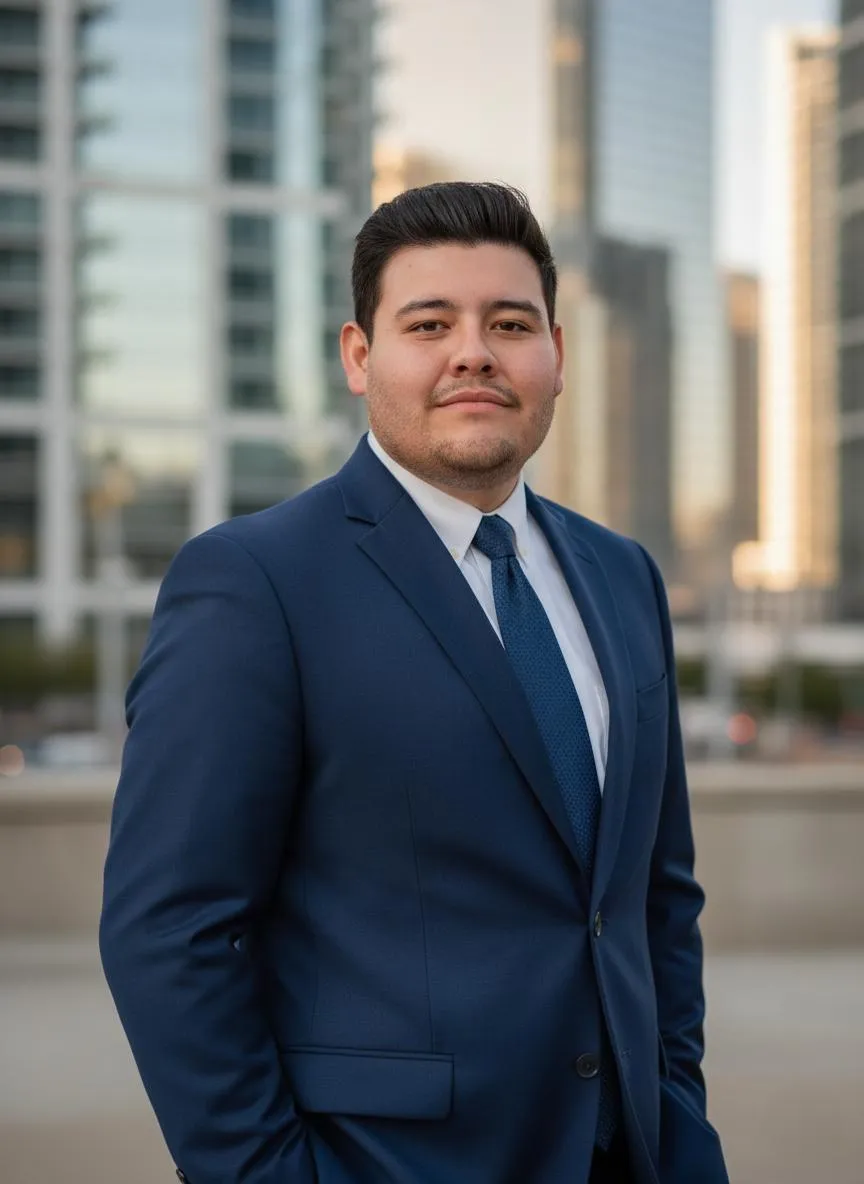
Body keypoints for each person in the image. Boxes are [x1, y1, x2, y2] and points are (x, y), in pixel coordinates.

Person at [100, 182, 729, 1184]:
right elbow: (170, 926)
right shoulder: (256, 579)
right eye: (429, 322)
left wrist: (677, 1103)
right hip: (384, 1159)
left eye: (510, 323)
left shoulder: (624, 576)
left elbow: (657, 894)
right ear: (359, 356)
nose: (474, 350)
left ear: (557, 356)